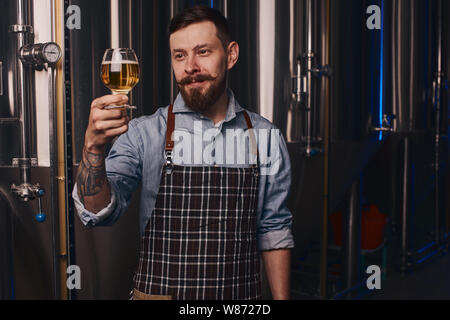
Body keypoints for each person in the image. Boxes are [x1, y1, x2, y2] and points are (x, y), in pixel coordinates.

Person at [72, 5, 294, 300]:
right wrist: (93, 148)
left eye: (203, 52)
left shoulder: (265, 136)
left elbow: (273, 229)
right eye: (180, 55)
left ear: (230, 55)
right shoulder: (143, 133)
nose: (190, 66)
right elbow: (98, 212)